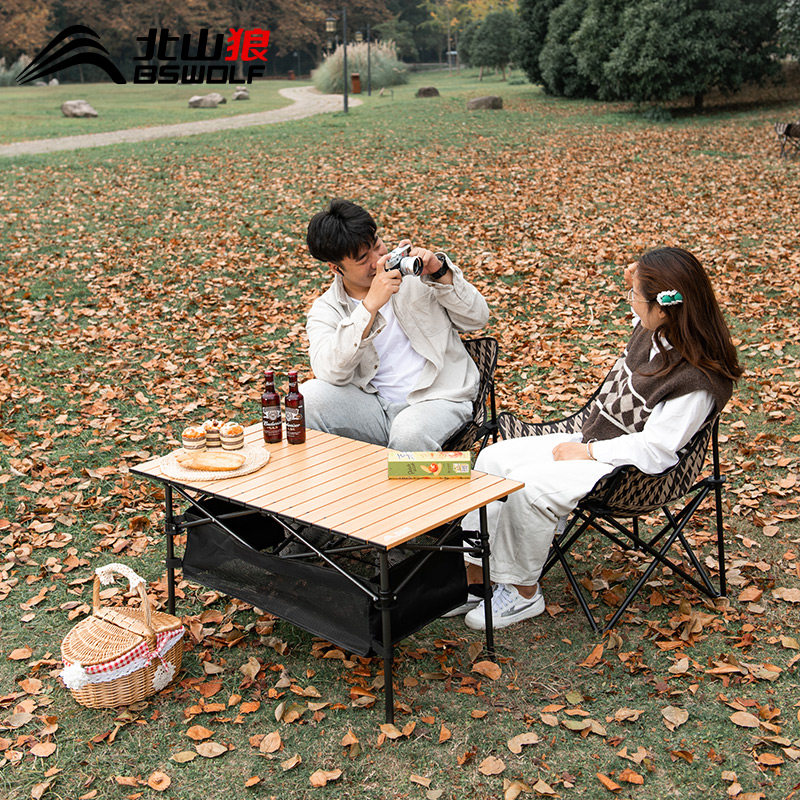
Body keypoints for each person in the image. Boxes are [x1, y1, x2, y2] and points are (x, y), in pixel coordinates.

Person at [448, 246, 743, 630]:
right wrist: (641, 277)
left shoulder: (696, 380)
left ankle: (522, 593)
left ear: (664, 309)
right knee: (493, 459)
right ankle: (478, 579)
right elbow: (651, 302)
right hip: (596, 437)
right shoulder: (657, 328)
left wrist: (588, 452)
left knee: (529, 488)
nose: (630, 301)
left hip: (627, 471)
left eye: (635, 295)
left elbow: (656, 450)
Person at [302, 199, 490, 450]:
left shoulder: (417, 275)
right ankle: (341, 474)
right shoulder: (326, 309)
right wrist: (369, 307)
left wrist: (439, 272)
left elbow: (477, 318)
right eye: (363, 259)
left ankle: (394, 472)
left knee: (408, 433)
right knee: (307, 398)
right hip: (375, 407)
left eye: (377, 245)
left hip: (439, 397)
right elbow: (330, 372)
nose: (378, 260)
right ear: (336, 268)